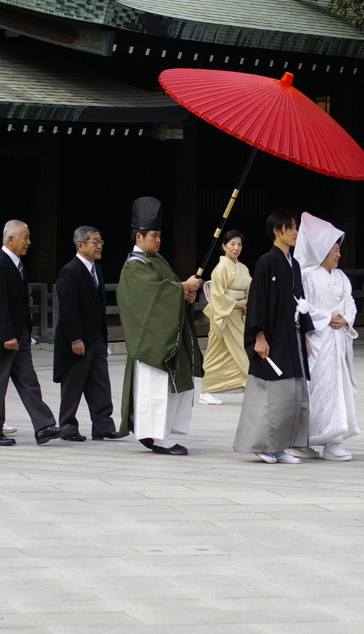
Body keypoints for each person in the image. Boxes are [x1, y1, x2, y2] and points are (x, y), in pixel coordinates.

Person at [116, 197, 202, 455]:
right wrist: (182, 288)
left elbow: (169, 289)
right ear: (138, 237)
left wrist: (185, 295)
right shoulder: (134, 266)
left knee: (169, 388)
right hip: (153, 340)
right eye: (153, 235)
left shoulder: (157, 260)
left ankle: (158, 432)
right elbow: (152, 296)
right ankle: (157, 436)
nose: (158, 240)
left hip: (165, 335)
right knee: (154, 390)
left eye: (159, 235)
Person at [233, 209, 314, 464]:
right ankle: (262, 445)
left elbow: (301, 300)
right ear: (277, 231)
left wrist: (305, 338)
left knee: (291, 393)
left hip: (291, 335)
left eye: (296, 228)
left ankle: (282, 446)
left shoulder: (294, 264)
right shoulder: (266, 262)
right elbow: (258, 300)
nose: (295, 232)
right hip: (271, 336)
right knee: (271, 393)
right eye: (290, 228)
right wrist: (259, 336)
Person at [0, 220, 71, 446]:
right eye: (25, 237)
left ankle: (44, 425)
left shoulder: (17, 263)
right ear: (10, 239)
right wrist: (7, 335)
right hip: (5, 337)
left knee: (29, 380)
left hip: (19, 334)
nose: (29, 242)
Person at [290, 212, 359, 461]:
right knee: (319, 389)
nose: (339, 255)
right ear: (323, 251)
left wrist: (345, 319)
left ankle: (333, 440)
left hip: (339, 340)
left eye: (339, 250)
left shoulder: (341, 277)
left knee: (339, 388)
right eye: (334, 250)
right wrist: (326, 317)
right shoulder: (308, 277)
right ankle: (307, 438)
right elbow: (302, 306)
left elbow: (349, 303)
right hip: (319, 340)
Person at [53, 225, 119, 441]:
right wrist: (75, 338)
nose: (99, 246)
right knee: (73, 383)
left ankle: (103, 426)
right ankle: (68, 426)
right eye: (94, 242)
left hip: (97, 337)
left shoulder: (96, 269)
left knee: (100, 382)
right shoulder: (70, 271)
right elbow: (68, 309)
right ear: (80, 245)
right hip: (78, 338)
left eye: (101, 241)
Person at [199, 230, 250, 404]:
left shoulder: (242, 268)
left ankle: (238, 384)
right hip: (225, 315)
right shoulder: (221, 268)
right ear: (224, 246)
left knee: (232, 351)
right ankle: (206, 389)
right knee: (220, 351)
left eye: (239, 244)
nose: (236, 248)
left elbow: (249, 288)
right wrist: (236, 304)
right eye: (232, 244)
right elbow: (217, 295)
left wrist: (248, 302)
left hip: (238, 316)